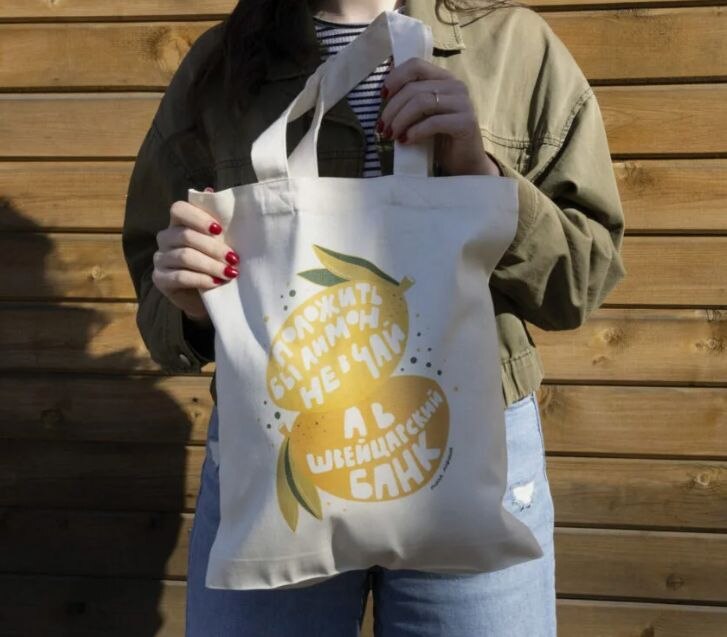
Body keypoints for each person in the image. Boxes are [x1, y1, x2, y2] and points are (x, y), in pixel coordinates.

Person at [121, 0, 627, 635]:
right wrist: (195, 304)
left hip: (469, 443)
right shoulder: (219, 65)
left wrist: (480, 174)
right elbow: (157, 294)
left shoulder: (514, 48)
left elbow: (581, 280)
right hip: (277, 451)